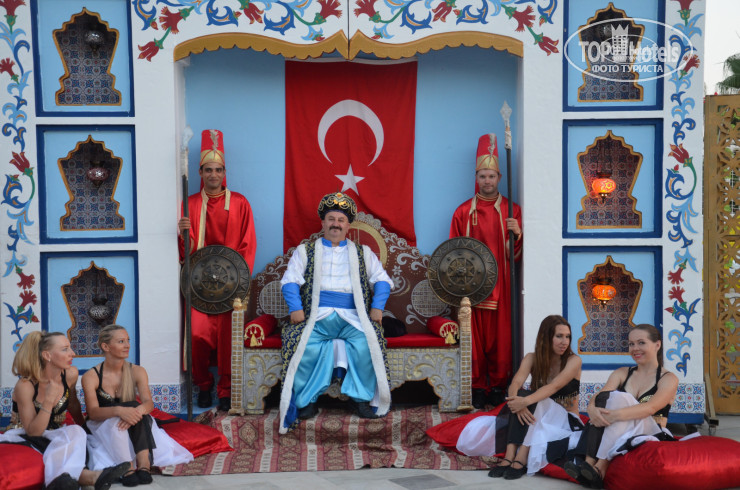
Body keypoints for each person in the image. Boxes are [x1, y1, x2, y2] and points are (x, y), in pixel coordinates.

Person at [278, 192, 393, 433]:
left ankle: (360, 399)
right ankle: (306, 401)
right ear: (323, 222)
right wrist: (295, 308)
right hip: (316, 317)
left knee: (366, 345)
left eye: (341, 220)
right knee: (303, 347)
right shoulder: (305, 251)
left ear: (348, 225)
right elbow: (290, 280)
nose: (335, 224)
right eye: (331, 219)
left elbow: (382, 280)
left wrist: (377, 307)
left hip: (353, 317)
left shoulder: (362, 252)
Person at [427, 315, 582, 480]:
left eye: (567, 337)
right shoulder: (532, 358)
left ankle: (520, 458)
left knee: (537, 399)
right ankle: (509, 455)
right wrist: (517, 403)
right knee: (521, 394)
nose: (564, 342)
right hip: (537, 415)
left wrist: (524, 402)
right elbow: (515, 383)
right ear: (546, 337)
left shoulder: (574, 360)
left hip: (566, 420)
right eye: (559, 336)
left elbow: (554, 387)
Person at [178, 129, 257, 411]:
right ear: (200, 172)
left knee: (228, 340)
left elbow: (247, 244)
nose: (214, 174)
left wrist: (238, 281)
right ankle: (203, 384)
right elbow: (183, 253)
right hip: (199, 285)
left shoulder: (240, 203)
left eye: (219, 169)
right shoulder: (189, 204)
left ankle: (225, 390)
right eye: (209, 169)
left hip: (231, 285)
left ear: (225, 172)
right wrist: (183, 233)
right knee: (197, 336)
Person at [0, 331, 130, 490]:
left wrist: (84, 427)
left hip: (54, 432)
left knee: (80, 434)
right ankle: (85, 477)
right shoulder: (25, 386)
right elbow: (33, 432)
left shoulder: (70, 374)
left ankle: (77, 479)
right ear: (47, 355)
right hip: (24, 436)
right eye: (65, 349)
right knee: (70, 438)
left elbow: (73, 403)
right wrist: (48, 401)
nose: (72, 353)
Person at [449, 133, 522, 408]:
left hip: (502, 283)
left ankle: (500, 385)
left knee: (501, 339)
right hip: (472, 287)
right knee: (474, 338)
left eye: (491, 176)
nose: (487, 181)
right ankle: (477, 386)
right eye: (482, 176)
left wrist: (518, 233)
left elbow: (516, 255)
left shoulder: (512, 210)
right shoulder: (462, 212)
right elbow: (452, 255)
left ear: (499, 177)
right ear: (476, 178)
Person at [564, 324, 678, 489]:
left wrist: (613, 416)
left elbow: (650, 408)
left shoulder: (668, 379)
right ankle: (588, 466)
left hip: (651, 431)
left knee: (620, 398)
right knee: (604, 399)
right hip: (620, 428)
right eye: (631, 344)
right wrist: (592, 409)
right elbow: (600, 395)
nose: (635, 348)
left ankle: (599, 466)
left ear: (657, 345)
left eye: (641, 343)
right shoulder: (623, 372)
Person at [82, 325, 193, 487]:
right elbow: (93, 413)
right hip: (104, 424)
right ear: (106, 346)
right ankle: (127, 467)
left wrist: (136, 412)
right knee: (119, 420)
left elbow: (148, 403)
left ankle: (143, 464)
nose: (127, 345)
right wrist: (119, 410)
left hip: (134, 423)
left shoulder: (137, 371)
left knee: (136, 407)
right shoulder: (91, 376)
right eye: (121, 341)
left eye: (128, 340)